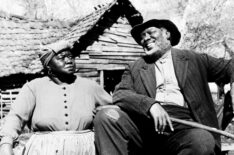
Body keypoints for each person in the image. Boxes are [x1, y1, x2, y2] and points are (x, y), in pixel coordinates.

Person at [94, 19, 234, 155]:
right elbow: (121, 93)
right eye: (142, 37)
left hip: (186, 127)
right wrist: (150, 105)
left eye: (150, 32)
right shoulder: (135, 67)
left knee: (202, 140)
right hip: (147, 127)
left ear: (167, 34)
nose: (145, 38)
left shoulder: (194, 59)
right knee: (106, 117)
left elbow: (230, 68)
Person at [0, 40, 112, 155]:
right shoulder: (33, 87)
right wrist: (6, 143)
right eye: (61, 58)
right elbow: (16, 117)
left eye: (71, 57)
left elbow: (114, 111)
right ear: (48, 65)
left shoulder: (90, 86)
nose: (69, 61)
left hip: (85, 148)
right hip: (44, 148)